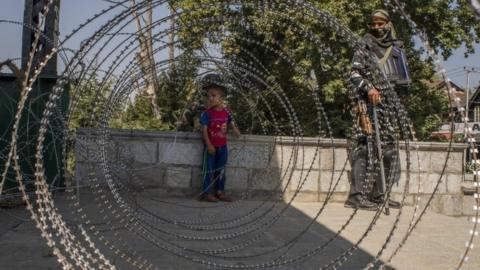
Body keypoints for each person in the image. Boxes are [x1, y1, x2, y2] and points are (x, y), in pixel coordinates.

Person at [346, 9, 410, 210]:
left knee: (389, 150)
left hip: (389, 107)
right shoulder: (364, 45)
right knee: (365, 149)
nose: (376, 27)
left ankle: (380, 195)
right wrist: (369, 87)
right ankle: (356, 197)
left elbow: (404, 80)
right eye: (373, 24)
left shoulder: (397, 48)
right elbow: (354, 74)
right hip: (368, 105)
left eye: (380, 24)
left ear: (388, 24)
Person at [199, 73, 241, 202]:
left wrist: (235, 130)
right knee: (208, 170)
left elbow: (230, 124)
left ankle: (220, 191)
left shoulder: (226, 112)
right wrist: (209, 145)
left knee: (221, 170)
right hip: (211, 147)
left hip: (223, 147)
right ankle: (206, 193)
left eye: (213, 95)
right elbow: (204, 129)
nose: (210, 98)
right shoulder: (207, 113)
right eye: (209, 96)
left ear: (222, 98)